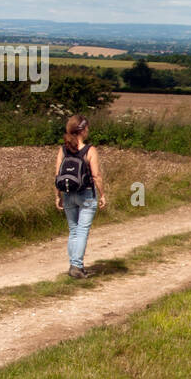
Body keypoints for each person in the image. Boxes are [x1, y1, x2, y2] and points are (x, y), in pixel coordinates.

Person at [54, 114, 107, 278]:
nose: (88, 131)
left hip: (68, 194)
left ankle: (74, 264)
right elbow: (96, 175)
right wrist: (102, 194)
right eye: (87, 128)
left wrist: (58, 196)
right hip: (86, 195)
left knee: (74, 231)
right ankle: (76, 266)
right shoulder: (90, 150)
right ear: (82, 130)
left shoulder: (63, 149)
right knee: (82, 231)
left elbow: (57, 175)